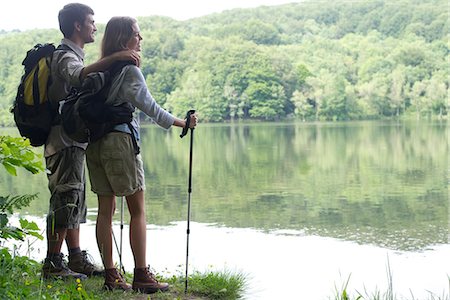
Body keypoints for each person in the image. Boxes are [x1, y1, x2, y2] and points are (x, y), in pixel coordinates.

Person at [85, 16, 197, 293]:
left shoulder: (99, 72)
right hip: (119, 143)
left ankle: (111, 276)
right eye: (137, 34)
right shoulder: (129, 72)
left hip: (95, 144)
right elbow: (152, 108)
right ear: (124, 39)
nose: (141, 39)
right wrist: (184, 124)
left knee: (105, 211)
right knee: (137, 210)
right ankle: (141, 275)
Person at [42, 3, 140, 280]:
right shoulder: (64, 56)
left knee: (76, 198)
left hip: (72, 141)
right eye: (91, 22)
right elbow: (76, 75)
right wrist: (117, 56)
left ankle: (75, 257)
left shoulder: (74, 54)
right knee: (65, 198)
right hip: (62, 141)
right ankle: (53, 263)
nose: (95, 27)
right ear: (77, 26)